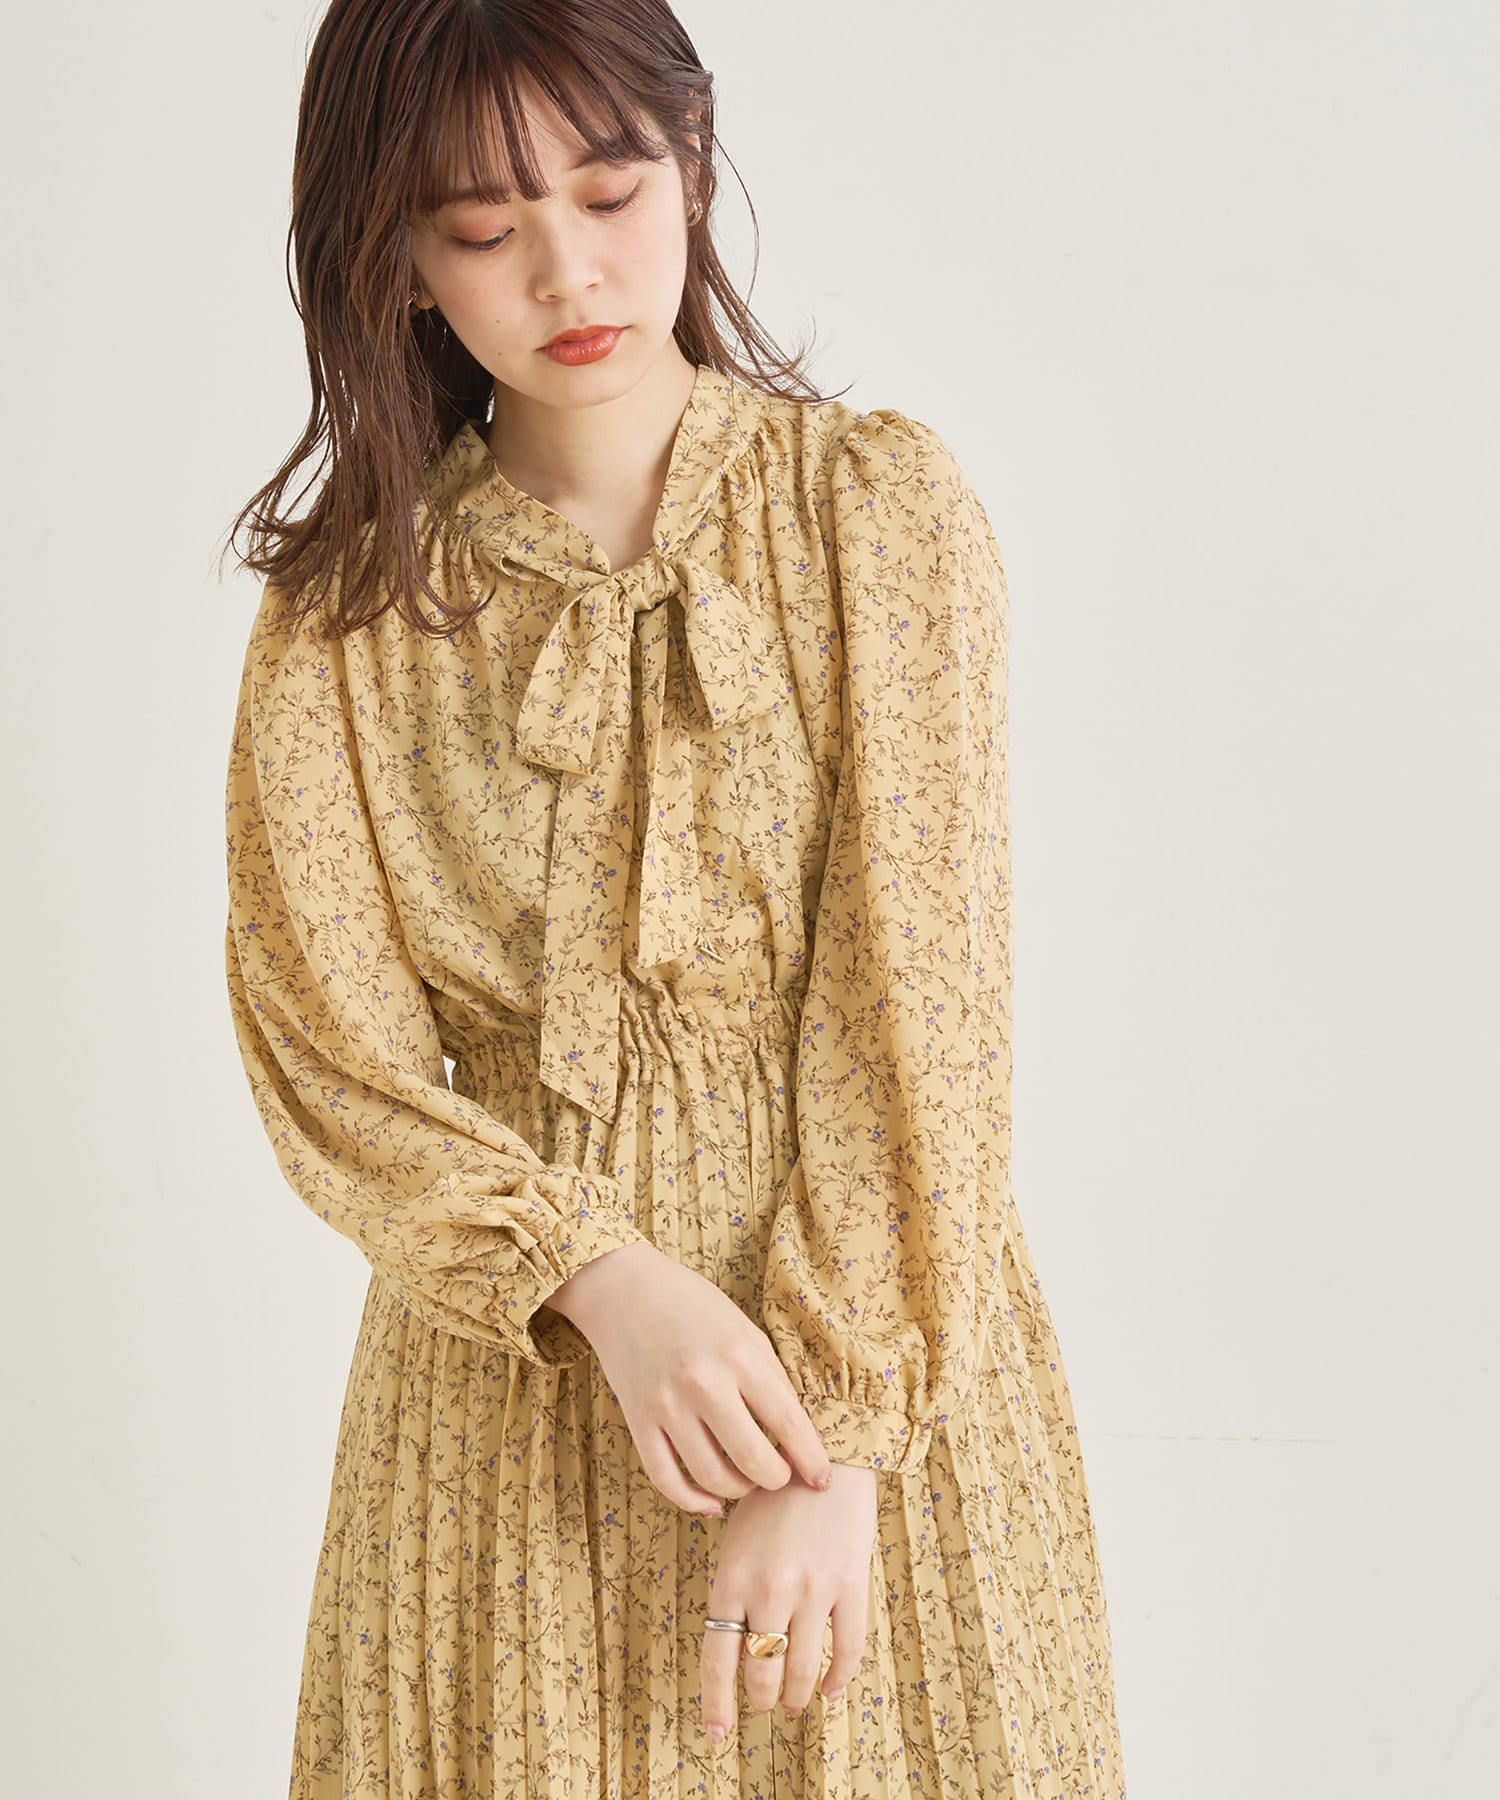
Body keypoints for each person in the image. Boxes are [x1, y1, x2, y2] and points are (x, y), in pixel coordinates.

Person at [220, 3, 1128, 1796]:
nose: (566, 270)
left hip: (876, 1409)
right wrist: (602, 1280)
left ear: (694, 160)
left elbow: (924, 1003)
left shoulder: (874, 517)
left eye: (613, 190)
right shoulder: (346, 621)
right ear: (395, 257)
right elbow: (331, 1064)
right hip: (508, 1418)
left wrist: (831, 1439)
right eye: (480, 227)